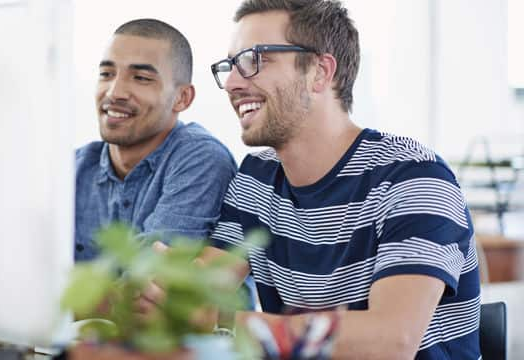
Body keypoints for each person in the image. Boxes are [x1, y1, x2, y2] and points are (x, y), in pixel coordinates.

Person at [200, 0, 480, 359]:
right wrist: (161, 288)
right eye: (231, 66)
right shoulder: (257, 177)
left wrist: (223, 322)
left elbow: (389, 342)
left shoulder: (415, 175)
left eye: (256, 60)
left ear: (319, 71)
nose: (233, 83)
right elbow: (199, 291)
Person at [74, 19, 236, 261]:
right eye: (106, 74)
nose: (114, 92)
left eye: (140, 78)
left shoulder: (200, 158)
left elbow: (149, 281)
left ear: (182, 98)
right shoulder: (74, 166)